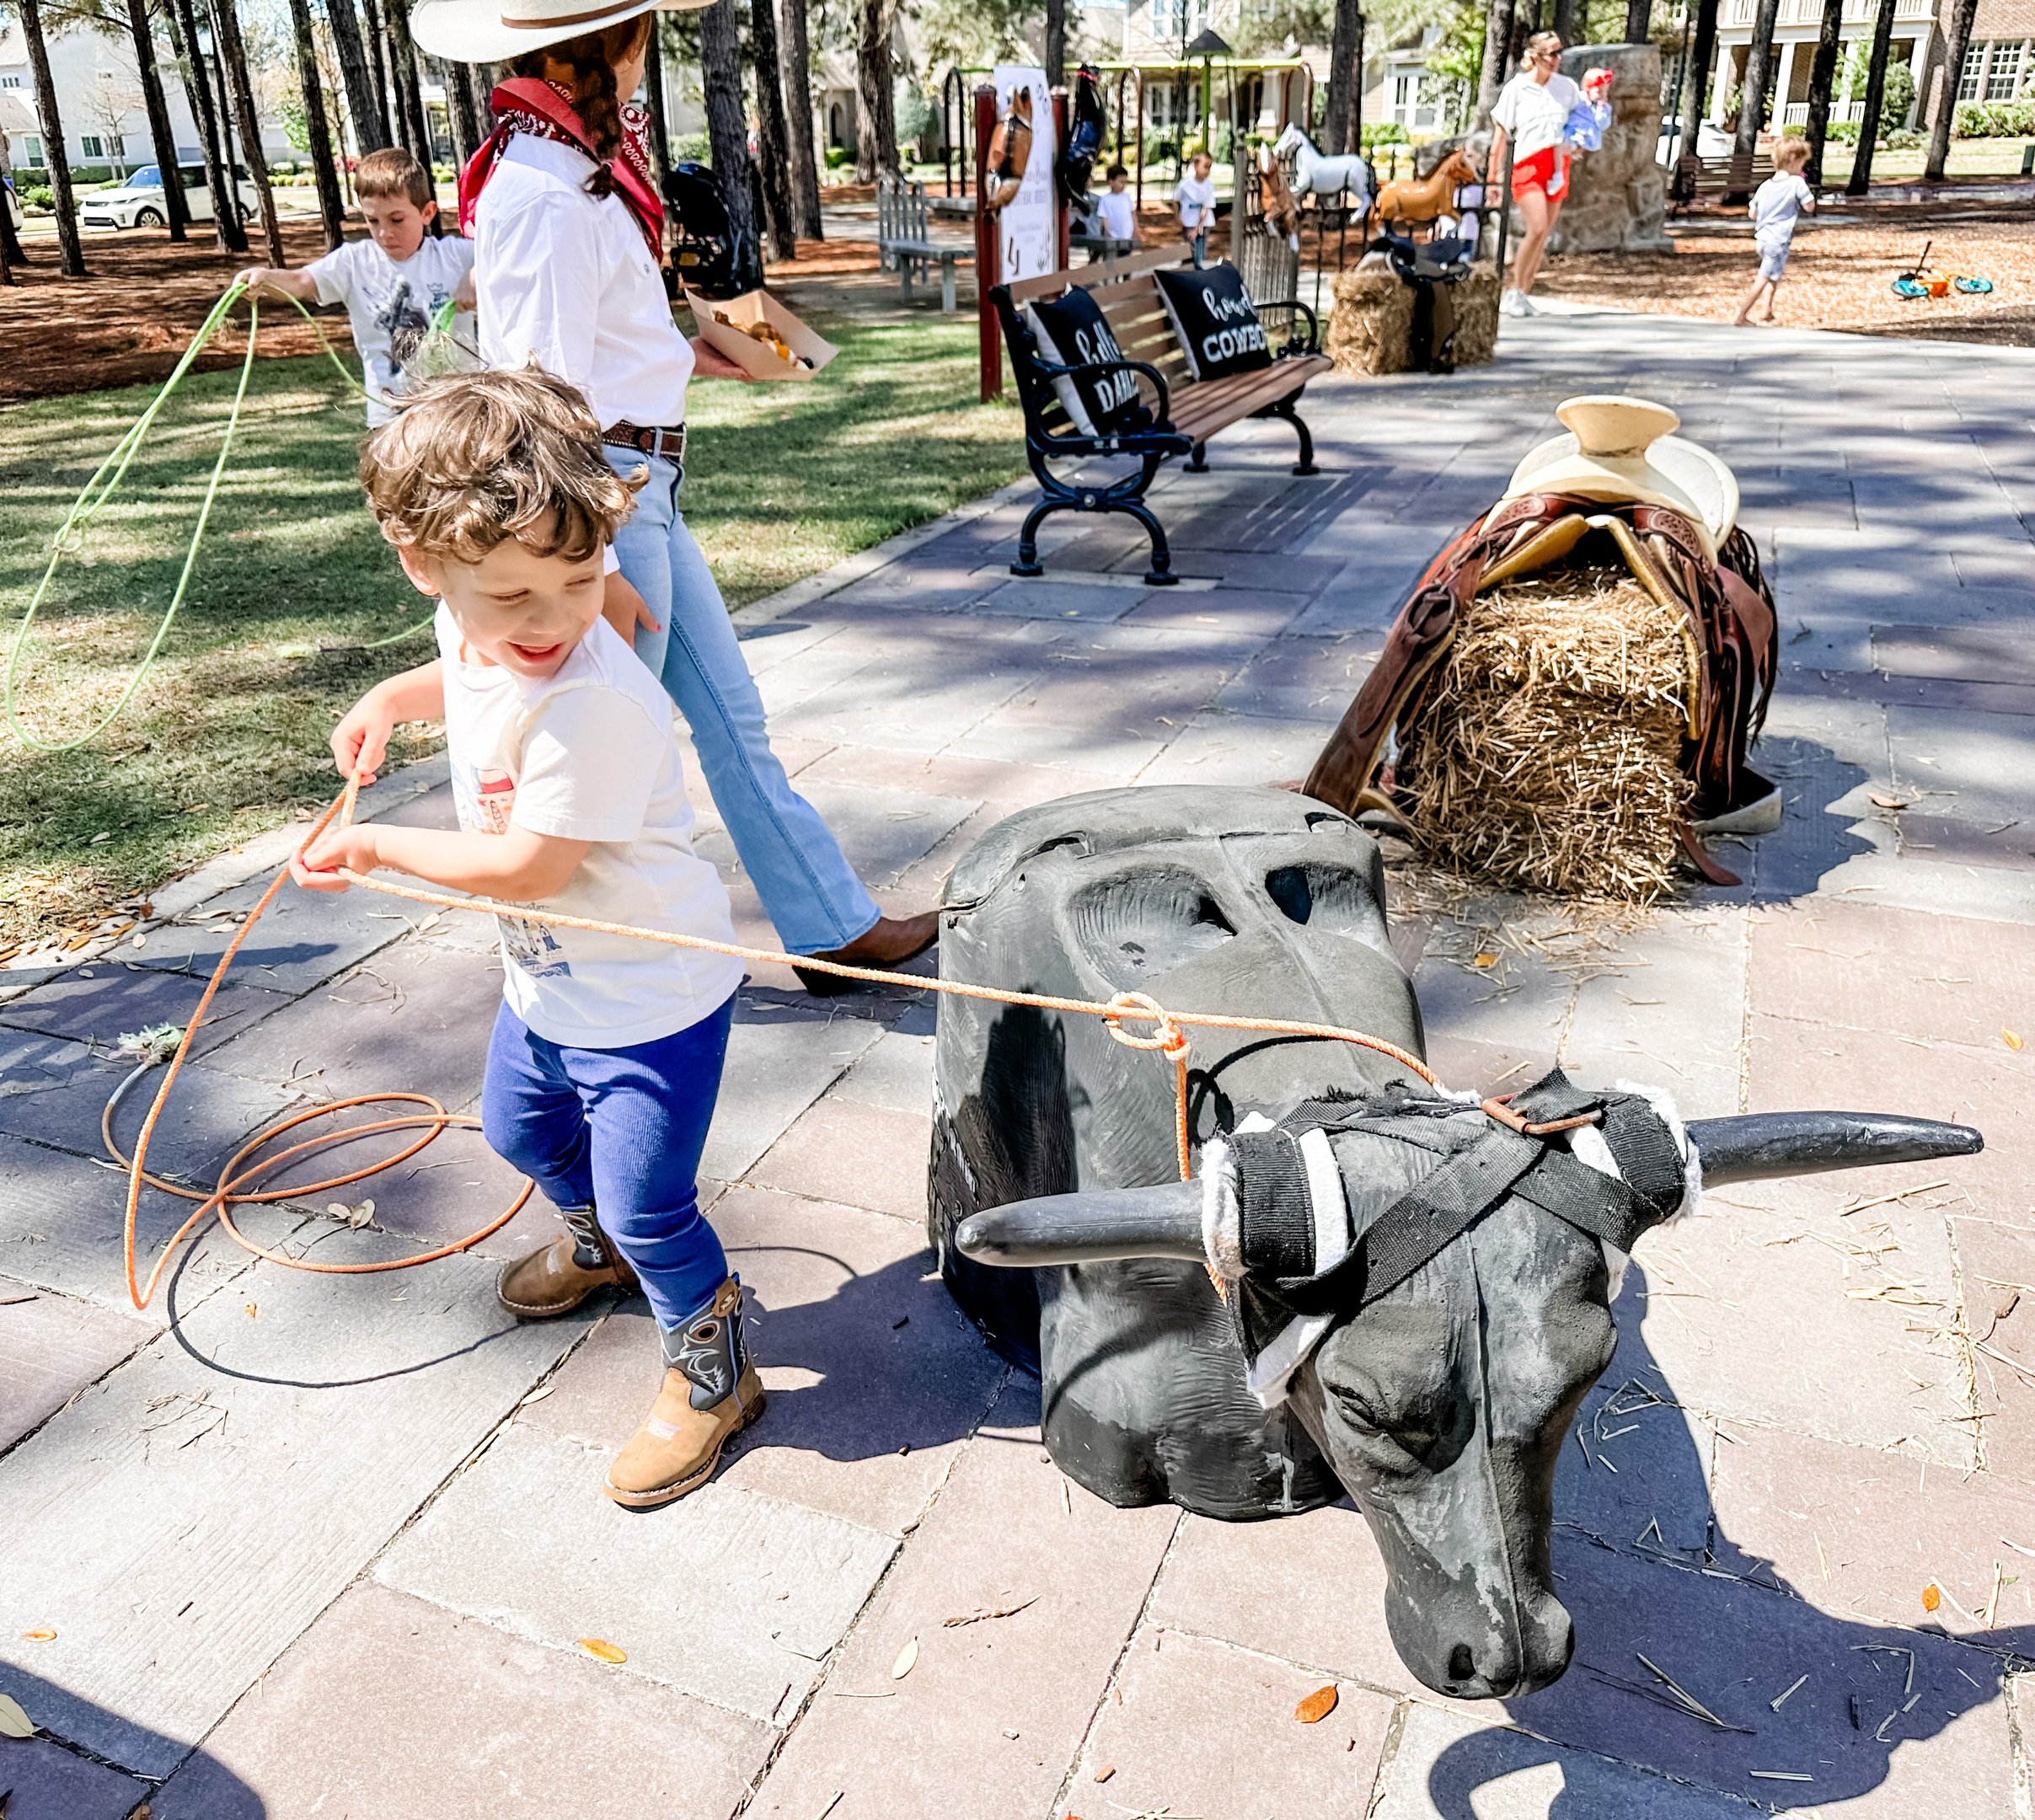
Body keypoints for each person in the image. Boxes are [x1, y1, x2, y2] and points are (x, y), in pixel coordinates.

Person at [294, 367, 763, 1510]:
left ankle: (711, 1369)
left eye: (581, 575)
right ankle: (598, 1242)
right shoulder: (486, 629)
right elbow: (464, 665)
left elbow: (528, 868)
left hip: (652, 1001)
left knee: (656, 1203)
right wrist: (393, 704)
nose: (550, 617)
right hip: (553, 983)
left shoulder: (587, 697)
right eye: (512, 595)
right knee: (516, 1128)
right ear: (428, 570)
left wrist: (379, 850)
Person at [409, 0, 936, 988]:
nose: (649, 49)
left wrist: (688, 352)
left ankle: (829, 928)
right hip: (602, 498)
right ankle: (597, 969)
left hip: (641, 485)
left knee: (728, 721)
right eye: (646, 30)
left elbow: (591, 351)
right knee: (599, 739)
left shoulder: (576, 170)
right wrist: (588, 567)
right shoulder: (543, 191)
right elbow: (538, 395)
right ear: (614, 44)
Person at [232, 147, 475, 424]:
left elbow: (511, 256)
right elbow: (301, 282)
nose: (384, 232)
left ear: (427, 213)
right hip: (390, 421)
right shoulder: (353, 262)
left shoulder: (457, 257)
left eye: (397, 220)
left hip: (459, 415)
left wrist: (475, 276)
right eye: (373, 221)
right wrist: (264, 278)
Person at [1487, 32, 1580, 318]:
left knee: (1544, 235)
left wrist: (1577, 146)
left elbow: (1580, 124)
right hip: (1527, 165)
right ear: (1535, 56)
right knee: (1537, 227)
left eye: (1559, 52)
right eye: (1551, 53)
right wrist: (1493, 178)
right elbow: (1500, 136)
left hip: (1557, 165)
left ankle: (1524, 293)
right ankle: (1513, 289)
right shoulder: (1517, 89)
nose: (1557, 59)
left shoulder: (1567, 88)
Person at [1735, 136, 1815, 327]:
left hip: (1762, 238)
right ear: (1794, 160)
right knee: (1764, 276)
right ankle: (1741, 314)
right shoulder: (1797, 184)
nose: (1803, 167)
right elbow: (1809, 206)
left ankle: (1766, 311)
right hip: (1777, 239)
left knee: (1774, 274)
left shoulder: (1765, 186)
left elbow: (1752, 213)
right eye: (1803, 163)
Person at [1175, 148, 1216, 265]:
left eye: (1209, 167)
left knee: (1199, 253)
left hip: (1202, 225)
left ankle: (1197, 272)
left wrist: (1197, 229)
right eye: (1205, 166)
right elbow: (1175, 200)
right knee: (1187, 252)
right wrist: (1177, 218)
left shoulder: (1209, 186)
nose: (1207, 170)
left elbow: (1206, 208)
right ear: (1196, 166)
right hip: (1188, 223)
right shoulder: (1185, 184)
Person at [1094, 163, 1137, 261]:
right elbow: (1104, 218)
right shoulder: (1105, 199)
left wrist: (1135, 230)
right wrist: (1107, 233)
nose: (1123, 185)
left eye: (1125, 182)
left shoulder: (1127, 197)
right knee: (1111, 263)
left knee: (1126, 263)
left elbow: (1133, 214)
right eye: (1121, 182)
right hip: (1113, 238)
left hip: (1126, 236)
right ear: (1111, 182)